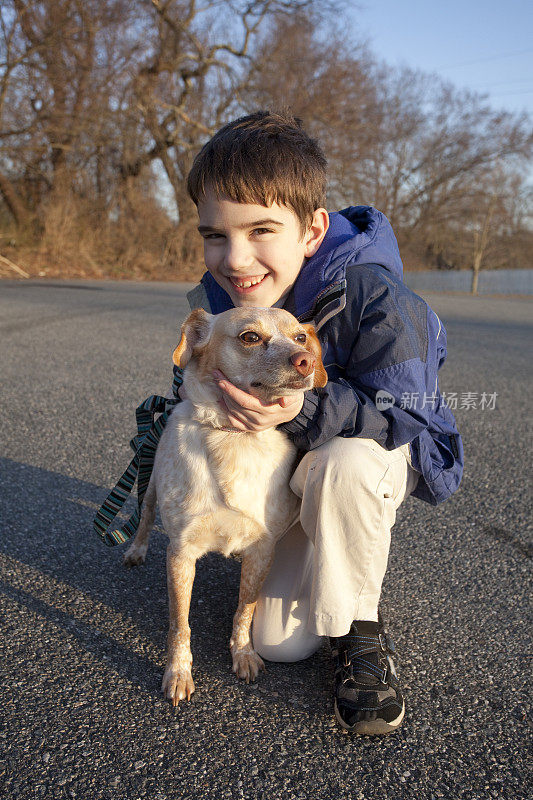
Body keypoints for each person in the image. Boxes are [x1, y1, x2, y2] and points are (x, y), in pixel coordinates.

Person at [98, 109, 463, 735]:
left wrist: (304, 406)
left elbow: (409, 417)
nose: (236, 259)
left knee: (343, 465)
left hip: (362, 453)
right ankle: (282, 548)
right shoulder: (217, 296)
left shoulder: (381, 299)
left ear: (312, 230)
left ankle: (361, 630)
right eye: (215, 234)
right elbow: (194, 380)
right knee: (279, 645)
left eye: (262, 229)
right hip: (282, 469)